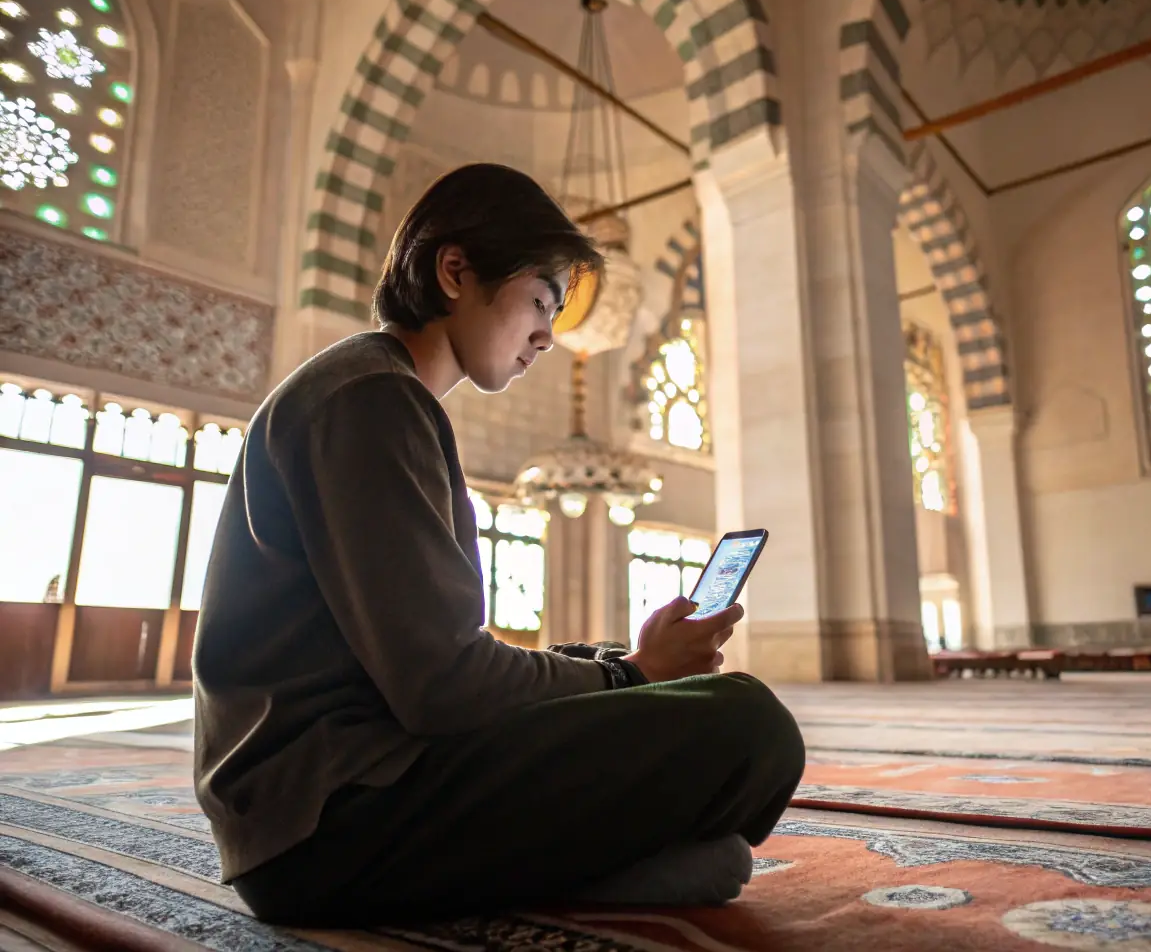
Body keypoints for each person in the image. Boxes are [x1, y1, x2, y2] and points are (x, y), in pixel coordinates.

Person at [192, 163, 805, 927]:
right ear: (455, 271)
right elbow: (444, 689)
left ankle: (578, 862)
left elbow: (435, 666)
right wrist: (630, 677)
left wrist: (617, 666)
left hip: (334, 804)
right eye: (543, 300)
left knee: (644, 694)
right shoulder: (370, 400)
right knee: (746, 722)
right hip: (330, 820)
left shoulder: (375, 391)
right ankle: (586, 862)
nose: (549, 335)